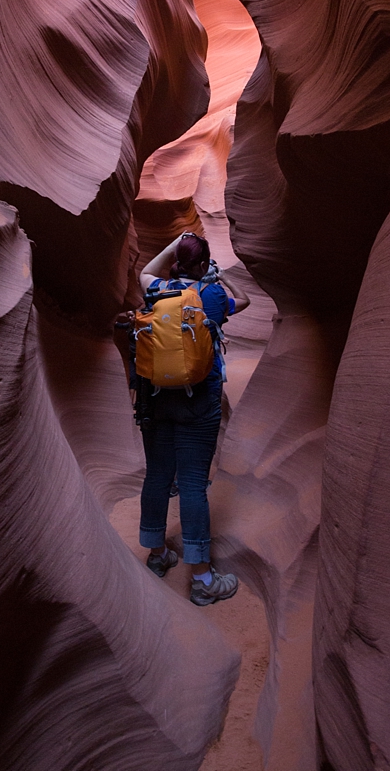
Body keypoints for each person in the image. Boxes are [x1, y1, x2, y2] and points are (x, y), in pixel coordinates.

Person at [137, 231, 250, 606]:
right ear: (203, 265)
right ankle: (202, 578)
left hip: (155, 400)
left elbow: (146, 271)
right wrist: (217, 276)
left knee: (157, 475)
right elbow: (245, 300)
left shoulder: (156, 290)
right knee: (191, 484)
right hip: (198, 404)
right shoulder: (213, 296)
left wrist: (174, 245)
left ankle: (157, 556)